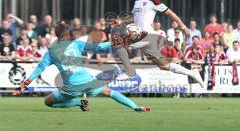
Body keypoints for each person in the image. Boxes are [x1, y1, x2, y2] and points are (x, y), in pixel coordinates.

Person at [13, 21, 150, 112]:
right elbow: (98, 47)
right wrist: (114, 42)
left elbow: (39, 69)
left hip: (71, 88)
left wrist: (25, 84)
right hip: (89, 82)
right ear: (67, 34)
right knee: (109, 92)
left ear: (56, 35)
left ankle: (79, 103)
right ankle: (136, 107)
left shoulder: (51, 52)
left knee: (48, 102)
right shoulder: (76, 44)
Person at [110, 0, 204, 87]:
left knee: (118, 39)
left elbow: (171, 14)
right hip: (140, 38)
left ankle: (128, 71)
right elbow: (132, 17)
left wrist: (183, 27)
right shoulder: (137, 2)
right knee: (164, 66)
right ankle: (192, 73)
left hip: (147, 36)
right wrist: (121, 21)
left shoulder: (154, 1)